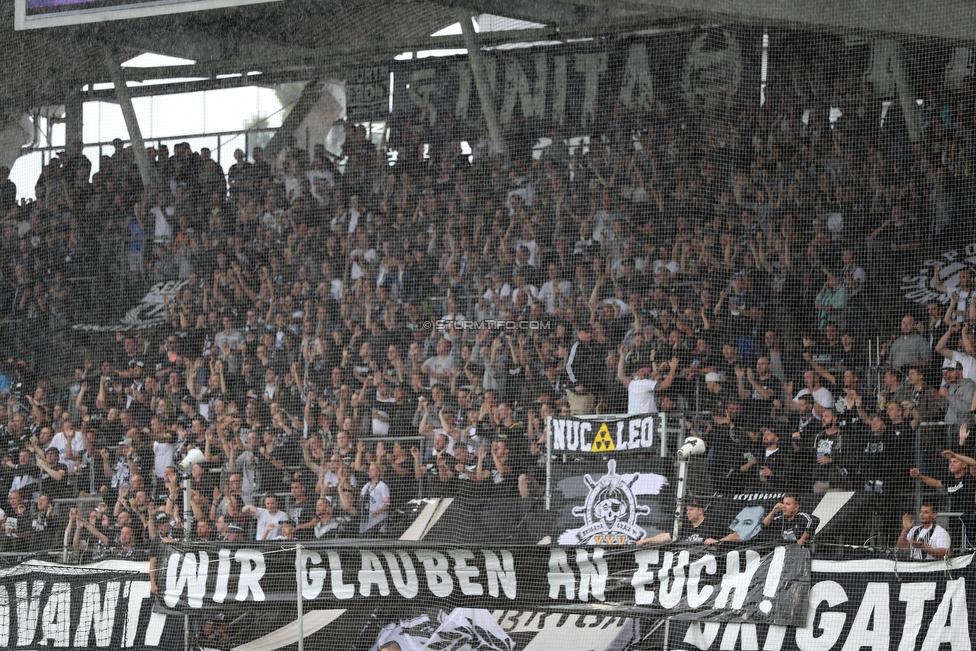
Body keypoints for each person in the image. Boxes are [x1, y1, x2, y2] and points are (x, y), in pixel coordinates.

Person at [616, 346, 679, 414]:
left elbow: (620, 375)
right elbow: (665, 384)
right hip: (647, 421)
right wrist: (673, 368)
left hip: (634, 421)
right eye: (647, 369)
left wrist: (622, 356)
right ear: (640, 372)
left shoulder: (633, 384)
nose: (649, 369)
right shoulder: (644, 383)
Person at [636, 499, 727, 545]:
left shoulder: (713, 525)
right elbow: (665, 536)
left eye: (691, 509)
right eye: (687, 510)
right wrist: (645, 541)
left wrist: (718, 541)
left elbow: (735, 536)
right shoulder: (684, 527)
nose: (688, 512)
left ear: (700, 511)